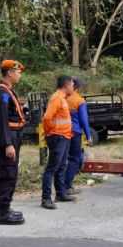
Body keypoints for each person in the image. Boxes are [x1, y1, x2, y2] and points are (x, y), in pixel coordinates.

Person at [0, 59, 27, 225]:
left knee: (10, 173)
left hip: (13, 136)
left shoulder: (8, 92)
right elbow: (3, 120)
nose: (19, 75)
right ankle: (4, 212)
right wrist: (8, 144)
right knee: (8, 174)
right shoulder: (2, 93)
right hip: (8, 137)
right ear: (10, 73)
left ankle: (3, 209)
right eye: (18, 72)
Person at [41, 75, 76, 208]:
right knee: (52, 167)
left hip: (64, 136)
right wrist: (51, 133)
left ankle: (61, 193)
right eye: (72, 84)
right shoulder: (56, 98)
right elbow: (47, 118)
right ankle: (46, 198)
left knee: (61, 166)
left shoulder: (63, 99)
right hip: (57, 137)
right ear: (66, 85)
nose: (73, 87)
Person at [66, 77, 93, 195]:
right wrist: (88, 136)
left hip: (61, 133)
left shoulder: (62, 98)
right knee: (74, 159)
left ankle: (61, 186)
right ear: (78, 87)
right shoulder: (79, 100)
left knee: (63, 160)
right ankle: (67, 186)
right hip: (75, 133)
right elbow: (84, 120)